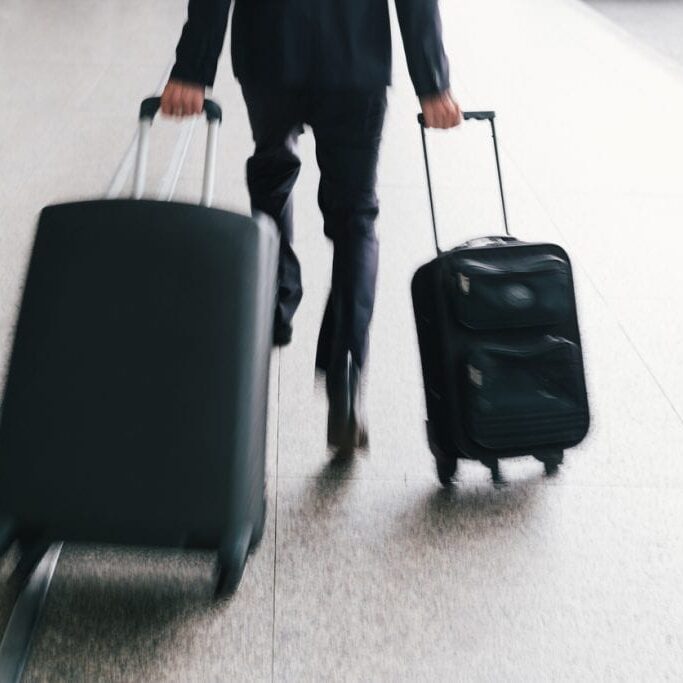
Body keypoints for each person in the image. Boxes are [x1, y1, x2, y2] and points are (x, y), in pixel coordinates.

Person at [161, 0, 461, 455]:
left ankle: (276, 302)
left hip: (270, 50)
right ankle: (345, 366)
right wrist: (433, 82)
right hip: (355, 57)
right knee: (355, 217)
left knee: (273, 172)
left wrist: (192, 69)